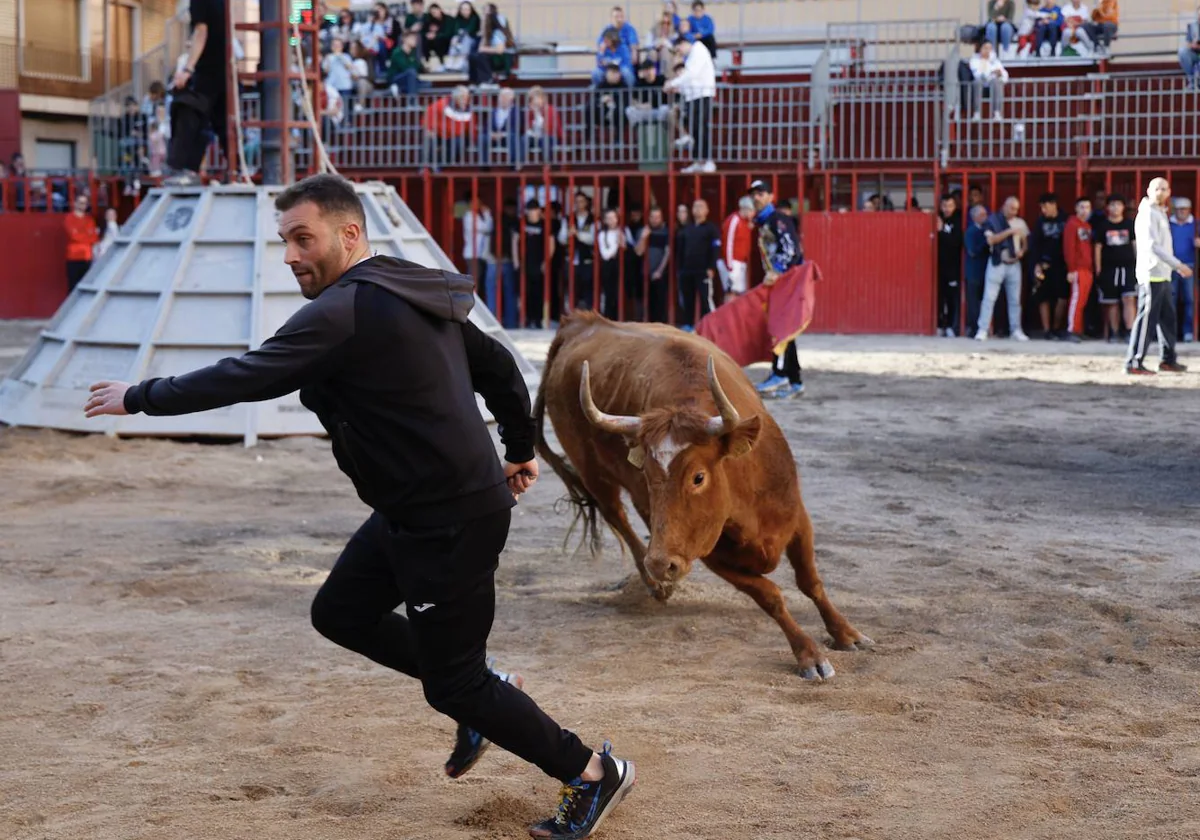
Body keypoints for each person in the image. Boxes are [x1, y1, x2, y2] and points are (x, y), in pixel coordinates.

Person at [83, 174, 636, 839]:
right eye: (284, 241)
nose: (290, 255)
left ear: (349, 234)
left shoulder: (344, 311)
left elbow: (244, 375)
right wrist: (519, 448)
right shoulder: (410, 284)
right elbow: (496, 367)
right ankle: (485, 689)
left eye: (302, 238)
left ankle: (592, 771)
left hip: (449, 518)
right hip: (413, 511)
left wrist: (138, 396)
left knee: (452, 686)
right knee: (340, 612)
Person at [1126, 177, 1191, 375]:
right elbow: (1151, 246)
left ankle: (1167, 359)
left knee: (1168, 319)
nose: (1161, 192)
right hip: (1151, 272)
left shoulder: (1160, 212)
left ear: (1169, 192)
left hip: (1163, 274)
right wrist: (1178, 265)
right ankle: (1134, 362)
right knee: (1147, 319)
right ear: (1148, 190)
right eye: (1157, 188)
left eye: (1164, 189)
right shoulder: (1147, 213)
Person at [748, 179, 805, 398]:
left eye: (761, 193)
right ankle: (795, 380)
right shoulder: (765, 222)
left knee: (780, 328)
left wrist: (776, 271)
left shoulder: (777, 219)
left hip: (786, 281)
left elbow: (792, 251)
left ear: (771, 197)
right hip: (782, 281)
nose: (756, 197)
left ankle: (780, 373)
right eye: (754, 194)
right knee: (786, 330)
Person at [166, 0, 228, 185]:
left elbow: (201, 32)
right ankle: (237, 168)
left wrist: (188, 68)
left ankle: (186, 169)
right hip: (223, 71)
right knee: (222, 123)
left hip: (207, 70)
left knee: (188, 110)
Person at [975, 196, 1029, 341]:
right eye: (1012, 208)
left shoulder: (1020, 223)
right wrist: (1009, 232)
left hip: (1014, 264)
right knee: (989, 298)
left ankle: (1016, 330)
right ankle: (983, 329)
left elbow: (1025, 242)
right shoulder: (993, 221)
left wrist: (1022, 251)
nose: (1014, 212)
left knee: (1015, 300)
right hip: (997, 263)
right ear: (1004, 206)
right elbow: (991, 240)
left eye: (1017, 209)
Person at [664, 34, 716, 173]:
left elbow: (691, 75)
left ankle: (708, 160)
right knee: (694, 129)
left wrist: (672, 83)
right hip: (693, 96)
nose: (679, 52)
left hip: (702, 94)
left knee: (701, 128)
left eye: (679, 49)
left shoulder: (698, 50)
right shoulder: (692, 56)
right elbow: (691, 78)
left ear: (683, 44)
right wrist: (678, 87)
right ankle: (698, 160)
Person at [1093, 193, 1136, 342]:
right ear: (1107, 207)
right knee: (1111, 302)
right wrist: (1098, 267)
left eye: (1118, 204)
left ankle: (1131, 331)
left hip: (1128, 268)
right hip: (1109, 269)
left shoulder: (1129, 224)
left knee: (1129, 298)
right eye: (1112, 204)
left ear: (1123, 207)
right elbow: (1097, 247)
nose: (1115, 208)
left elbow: (1135, 245)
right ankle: (1114, 331)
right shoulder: (1102, 226)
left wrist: (1138, 265)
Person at [674, 198, 720, 330]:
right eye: (695, 207)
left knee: (706, 299)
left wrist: (711, 267)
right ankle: (689, 325)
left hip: (703, 270)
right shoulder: (686, 229)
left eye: (701, 207)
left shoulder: (711, 228)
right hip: (687, 270)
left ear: (707, 210)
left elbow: (715, 248)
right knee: (688, 300)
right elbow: (680, 251)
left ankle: (710, 326)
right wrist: (680, 269)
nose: (698, 209)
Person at [1029, 193, 1070, 340]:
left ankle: (1056, 328)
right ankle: (1047, 330)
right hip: (1045, 265)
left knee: (1062, 298)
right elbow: (1034, 245)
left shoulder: (1066, 219)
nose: (1043, 210)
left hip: (1063, 265)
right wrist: (1036, 265)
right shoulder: (1040, 222)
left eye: (1045, 206)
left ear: (1054, 204)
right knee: (1043, 297)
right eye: (1041, 207)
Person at [515, 199, 552, 328]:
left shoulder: (544, 225)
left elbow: (551, 244)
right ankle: (527, 319)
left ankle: (538, 320)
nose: (531, 213)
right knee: (525, 292)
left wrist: (546, 262)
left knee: (539, 292)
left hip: (539, 264)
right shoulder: (522, 223)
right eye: (529, 210)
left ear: (539, 211)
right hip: (525, 263)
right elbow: (515, 241)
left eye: (534, 210)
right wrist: (516, 260)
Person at [1063, 197, 1094, 341]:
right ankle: (1072, 330)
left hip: (1087, 269)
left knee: (1082, 301)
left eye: (1087, 207)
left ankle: (1078, 328)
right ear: (1076, 209)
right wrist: (1071, 269)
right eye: (1082, 207)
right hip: (1077, 269)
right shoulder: (1072, 224)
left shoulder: (1087, 226)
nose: (1085, 210)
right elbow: (1069, 248)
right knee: (1076, 300)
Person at [559, 192, 596, 310]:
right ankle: (573, 314)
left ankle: (589, 315)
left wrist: (578, 234)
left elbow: (593, 239)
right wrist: (568, 235)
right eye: (576, 201)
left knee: (588, 288)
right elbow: (561, 238)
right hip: (571, 259)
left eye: (581, 201)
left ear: (586, 203)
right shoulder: (568, 218)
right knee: (572, 288)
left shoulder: (593, 219)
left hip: (587, 260)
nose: (579, 204)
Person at [1169, 197, 1199, 341]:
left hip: (1190, 266)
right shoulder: (1168, 224)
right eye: (1179, 209)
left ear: (1189, 210)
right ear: (1175, 209)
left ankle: (1188, 331)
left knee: (1190, 299)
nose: (1182, 212)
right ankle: (1172, 332)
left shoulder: (1196, 224)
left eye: (1185, 209)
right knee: (1171, 300)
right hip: (1171, 266)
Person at [638, 205, 672, 322]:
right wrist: (643, 238)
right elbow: (639, 252)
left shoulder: (666, 232)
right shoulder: (643, 231)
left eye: (658, 217)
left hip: (660, 273)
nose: (655, 219)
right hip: (644, 272)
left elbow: (668, 253)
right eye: (652, 217)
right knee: (646, 303)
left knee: (660, 304)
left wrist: (659, 271)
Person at [936, 193, 963, 337]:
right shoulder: (936, 219)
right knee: (938, 296)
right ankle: (940, 324)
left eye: (950, 206)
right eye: (945, 206)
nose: (947, 209)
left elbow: (956, 242)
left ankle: (953, 326)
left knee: (952, 297)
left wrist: (941, 232)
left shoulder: (958, 220)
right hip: (937, 266)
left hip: (953, 266)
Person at [719, 196, 754, 302]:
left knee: (739, 292)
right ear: (746, 209)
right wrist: (729, 266)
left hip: (740, 262)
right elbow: (728, 243)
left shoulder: (745, 223)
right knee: (731, 291)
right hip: (732, 262)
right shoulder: (734, 220)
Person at [964, 204, 991, 336]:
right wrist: (986, 242)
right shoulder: (971, 231)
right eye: (982, 215)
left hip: (985, 271)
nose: (985, 217)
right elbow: (972, 252)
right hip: (973, 273)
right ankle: (973, 328)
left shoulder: (986, 229)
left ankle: (983, 327)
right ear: (974, 217)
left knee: (985, 300)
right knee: (973, 302)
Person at [64, 194, 100, 292]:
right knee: (73, 288)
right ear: (75, 203)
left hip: (87, 257)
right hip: (74, 257)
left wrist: (82, 235)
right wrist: (87, 235)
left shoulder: (89, 219)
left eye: (84, 203)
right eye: (80, 202)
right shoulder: (69, 218)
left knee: (86, 287)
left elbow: (95, 238)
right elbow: (74, 236)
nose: (82, 205)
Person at [968, 41, 1007, 122]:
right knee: (977, 82)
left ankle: (997, 113)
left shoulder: (995, 60)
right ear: (980, 49)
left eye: (990, 48)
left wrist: (999, 74)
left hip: (993, 87)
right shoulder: (974, 60)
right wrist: (991, 71)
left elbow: (1004, 74)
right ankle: (977, 113)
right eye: (985, 48)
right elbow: (978, 74)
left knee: (996, 81)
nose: (988, 51)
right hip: (981, 86)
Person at [597, 207, 625, 320]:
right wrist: (617, 244)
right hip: (608, 267)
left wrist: (622, 243)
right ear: (604, 220)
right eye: (608, 218)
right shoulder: (602, 234)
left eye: (613, 217)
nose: (612, 220)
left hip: (621, 266)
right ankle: (608, 318)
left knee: (620, 294)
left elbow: (630, 247)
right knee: (609, 294)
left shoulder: (623, 231)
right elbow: (605, 254)